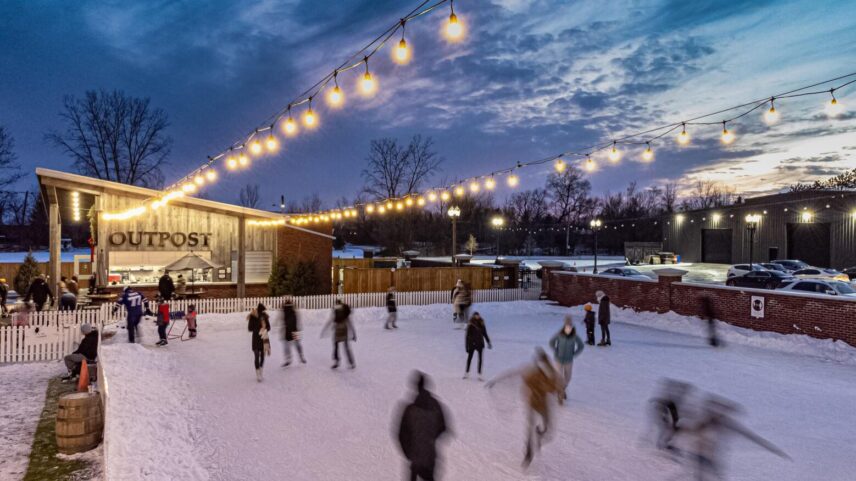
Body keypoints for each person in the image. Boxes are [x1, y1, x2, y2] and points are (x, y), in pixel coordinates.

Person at [487, 348, 564, 467]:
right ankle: (529, 452)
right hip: (533, 402)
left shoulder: (549, 374)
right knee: (531, 427)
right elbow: (513, 373)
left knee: (547, 429)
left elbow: (555, 385)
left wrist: (558, 390)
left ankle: (539, 435)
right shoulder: (532, 371)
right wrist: (496, 380)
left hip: (542, 403)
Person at [688, 395, 789, 480]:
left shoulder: (718, 421)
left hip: (708, 454)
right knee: (707, 474)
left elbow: (748, 435)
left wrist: (771, 448)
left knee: (713, 474)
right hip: (702, 454)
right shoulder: (706, 421)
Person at [396, 371, 450, 481]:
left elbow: (401, 435)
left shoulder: (410, 409)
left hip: (415, 459)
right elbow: (444, 427)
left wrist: (409, 453)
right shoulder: (436, 406)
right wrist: (430, 439)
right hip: (431, 457)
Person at [649, 379, 693, 453]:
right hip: (663, 412)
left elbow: (674, 414)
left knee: (667, 429)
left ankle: (662, 443)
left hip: (664, 411)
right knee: (666, 429)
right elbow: (673, 414)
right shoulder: (671, 404)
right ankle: (662, 444)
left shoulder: (673, 403)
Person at [549, 315, 585, 401]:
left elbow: (581, 346)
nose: (568, 328)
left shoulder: (574, 336)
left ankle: (561, 389)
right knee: (558, 376)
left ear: (572, 327)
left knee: (568, 377)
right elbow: (551, 342)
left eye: (570, 326)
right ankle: (560, 391)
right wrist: (556, 350)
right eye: (567, 326)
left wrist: (574, 354)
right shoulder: (559, 334)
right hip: (558, 359)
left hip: (569, 360)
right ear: (564, 326)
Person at [322, 299, 356, 369]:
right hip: (344, 329)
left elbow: (331, 320)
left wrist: (324, 330)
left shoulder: (335, 310)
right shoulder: (345, 311)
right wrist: (354, 333)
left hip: (337, 329)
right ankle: (351, 362)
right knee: (346, 346)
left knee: (336, 345)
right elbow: (350, 323)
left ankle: (337, 361)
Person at [463, 312, 492, 380]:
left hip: (480, 344)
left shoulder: (482, 323)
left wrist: (488, 342)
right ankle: (466, 373)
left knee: (480, 360)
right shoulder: (470, 324)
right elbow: (467, 336)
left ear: (479, 316)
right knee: (469, 359)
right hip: (472, 344)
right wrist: (466, 346)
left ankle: (479, 374)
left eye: (477, 316)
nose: (476, 317)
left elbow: (485, 333)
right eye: (475, 316)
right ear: (473, 316)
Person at [247, 303, 271, 381]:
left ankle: (260, 372)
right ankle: (258, 374)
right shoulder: (253, 316)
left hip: (263, 338)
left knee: (263, 356)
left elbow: (269, 327)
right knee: (257, 355)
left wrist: (264, 328)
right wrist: (258, 329)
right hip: (256, 338)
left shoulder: (265, 316)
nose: (261, 312)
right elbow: (250, 328)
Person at [281, 299, 305, 366]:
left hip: (288, 331)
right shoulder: (294, 311)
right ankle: (301, 356)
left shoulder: (284, 311)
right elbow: (297, 320)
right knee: (297, 345)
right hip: (294, 330)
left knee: (287, 346)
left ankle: (288, 359)